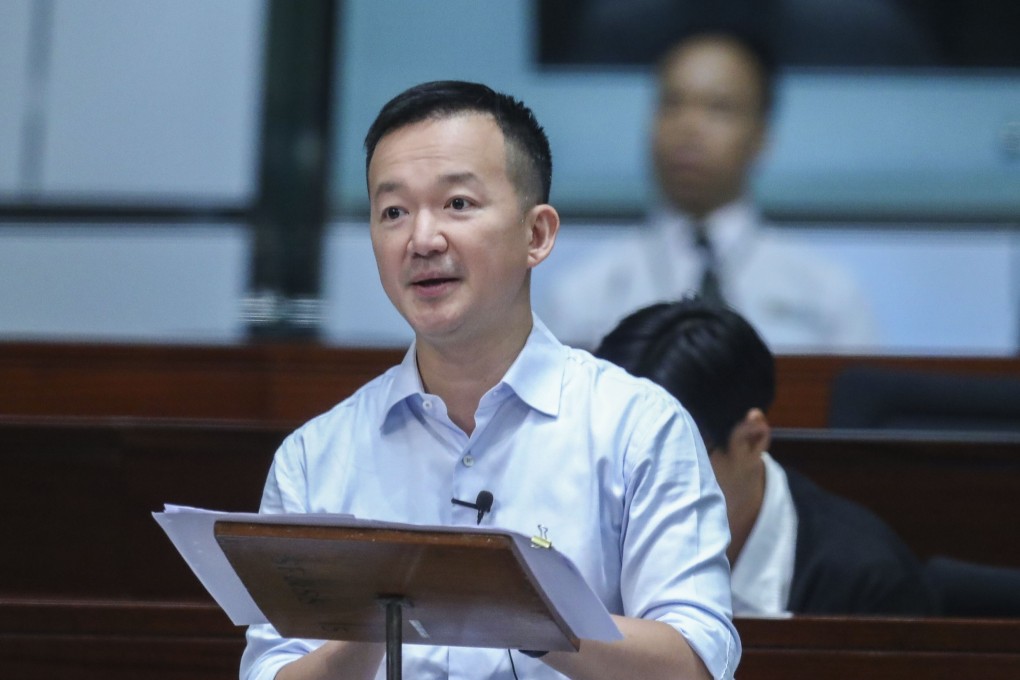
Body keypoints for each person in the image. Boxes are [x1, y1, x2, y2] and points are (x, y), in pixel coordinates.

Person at [240, 81, 740, 680]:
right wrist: (379, 617)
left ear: (537, 235)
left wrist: (515, 606)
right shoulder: (315, 456)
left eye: (457, 204)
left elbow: (696, 661)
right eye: (393, 212)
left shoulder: (638, 428)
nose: (422, 240)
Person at [539, 27, 877, 353]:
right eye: (672, 103)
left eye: (718, 107)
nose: (689, 127)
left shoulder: (826, 295)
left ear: (761, 135)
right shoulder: (584, 293)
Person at [594, 297, 935, 616]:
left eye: (663, 465)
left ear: (752, 440)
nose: (625, 493)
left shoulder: (867, 586)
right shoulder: (577, 534)